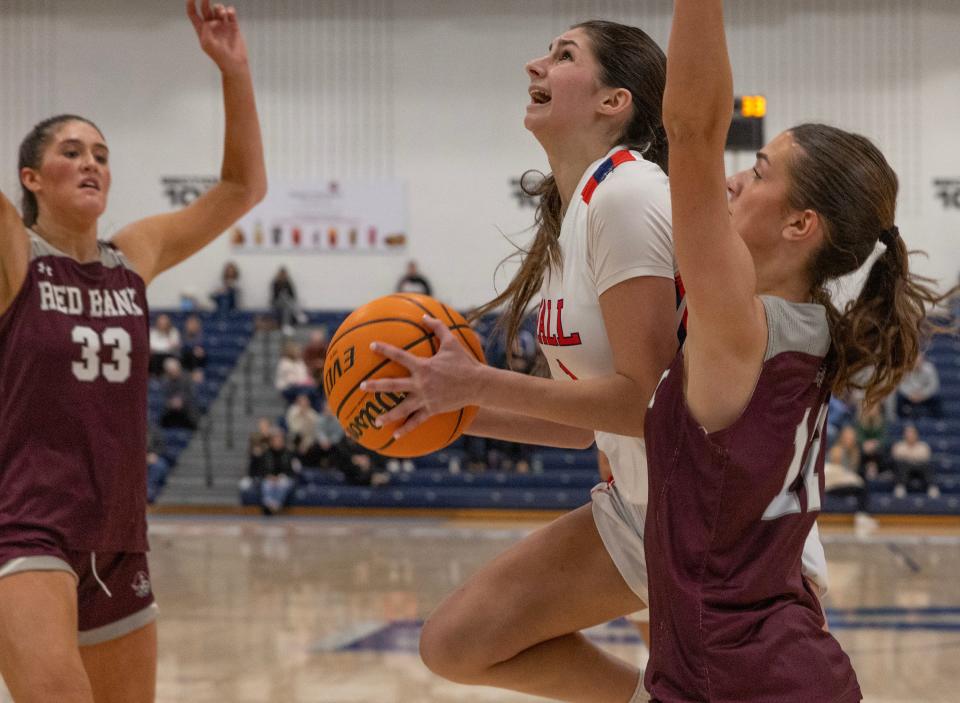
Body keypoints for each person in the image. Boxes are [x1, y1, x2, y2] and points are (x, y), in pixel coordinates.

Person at [362, 19, 828, 702]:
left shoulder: (626, 196)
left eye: (563, 55)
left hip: (715, 529)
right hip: (640, 509)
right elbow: (585, 425)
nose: (535, 64)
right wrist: (450, 410)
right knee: (457, 641)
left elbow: (644, 404)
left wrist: (475, 382)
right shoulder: (577, 211)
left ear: (616, 102)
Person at [641, 1, 951, 699]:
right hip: (753, 666)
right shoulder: (810, 330)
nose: (732, 180)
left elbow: (690, 132)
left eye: (758, 170)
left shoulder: (741, 327)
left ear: (800, 224)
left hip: (748, 675)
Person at [0, 3, 266, 701]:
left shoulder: (133, 257)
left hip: (121, 532)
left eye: (102, 155)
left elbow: (242, 189)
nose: (91, 162)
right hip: (25, 522)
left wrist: (233, 69)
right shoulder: (15, 255)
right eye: (71, 152)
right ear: (31, 178)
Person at [891, 423, 938, 498]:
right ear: (904, 435)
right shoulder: (899, 445)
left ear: (916, 435)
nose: (910, 435)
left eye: (912, 433)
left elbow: (925, 457)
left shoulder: (923, 445)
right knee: (900, 464)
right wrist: (913, 457)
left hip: (919, 469)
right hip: (905, 468)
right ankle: (900, 486)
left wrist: (907, 456)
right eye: (908, 433)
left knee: (927, 465)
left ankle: (932, 487)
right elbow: (896, 456)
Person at [896, 352, 943, 418]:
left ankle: (938, 423)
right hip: (910, 396)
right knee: (899, 399)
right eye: (915, 360)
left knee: (936, 399)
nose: (917, 362)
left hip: (925, 396)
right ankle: (901, 421)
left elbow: (933, 386)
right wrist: (911, 394)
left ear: (923, 360)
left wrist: (922, 395)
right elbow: (902, 386)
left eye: (919, 360)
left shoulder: (930, 369)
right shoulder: (905, 369)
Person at [159, 357, 199, 430]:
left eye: (174, 370)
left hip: (186, 409)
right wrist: (170, 402)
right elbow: (162, 395)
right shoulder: (165, 381)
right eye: (170, 371)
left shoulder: (187, 379)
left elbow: (192, 394)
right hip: (170, 411)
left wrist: (181, 401)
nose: (173, 373)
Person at [275, 339, 317, 406]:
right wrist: (303, 382)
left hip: (300, 386)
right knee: (307, 391)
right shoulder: (285, 363)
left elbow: (304, 375)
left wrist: (309, 381)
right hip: (288, 388)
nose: (299, 352)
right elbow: (291, 380)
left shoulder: (299, 362)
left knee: (313, 390)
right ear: (291, 351)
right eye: (296, 350)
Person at [270, 265, 306, 334]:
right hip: (277, 302)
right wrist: (283, 294)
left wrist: (286, 295)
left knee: (287, 306)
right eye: (282, 274)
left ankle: (286, 325)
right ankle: (297, 313)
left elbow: (293, 295)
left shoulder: (288, 283)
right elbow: (275, 296)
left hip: (287, 304)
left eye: (284, 274)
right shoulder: (275, 283)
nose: (283, 276)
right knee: (284, 297)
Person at [179, 313, 207, 382]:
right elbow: (181, 349)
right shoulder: (181, 336)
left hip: (197, 363)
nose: (192, 326)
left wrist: (200, 351)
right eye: (190, 324)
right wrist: (192, 350)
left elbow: (204, 351)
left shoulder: (202, 337)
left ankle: (195, 373)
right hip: (184, 362)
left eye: (194, 324)